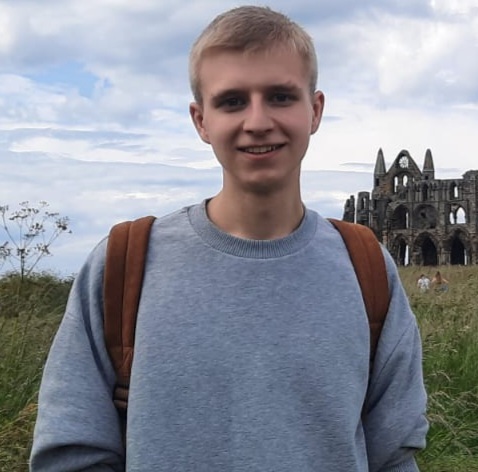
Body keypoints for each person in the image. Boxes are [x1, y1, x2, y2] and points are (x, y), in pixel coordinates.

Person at [30, 6, 428, 472]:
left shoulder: (367, 268)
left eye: (280, 97)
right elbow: (71, 452)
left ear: (314, 110)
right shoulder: (123, 263)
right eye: (232, 101)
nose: (257, 121)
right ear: (201, 120)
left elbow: (394, 456)